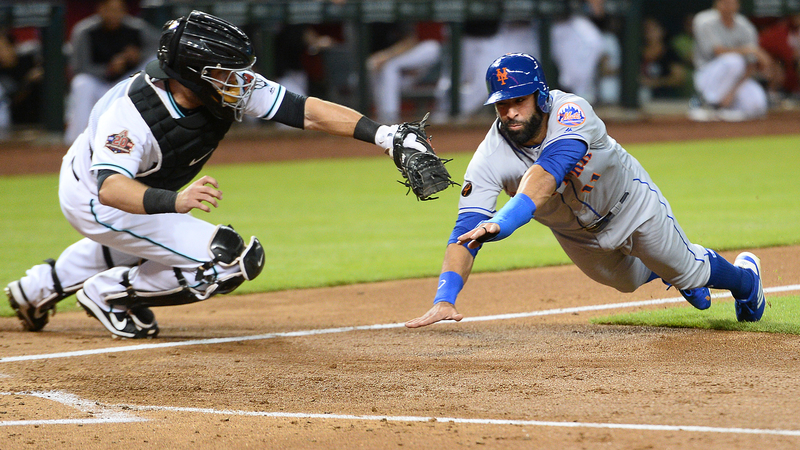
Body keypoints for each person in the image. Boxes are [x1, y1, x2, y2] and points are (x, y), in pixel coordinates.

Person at [5, 11, 412, 339]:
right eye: (225, 72)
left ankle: (38, 287)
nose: (239, 81)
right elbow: (111, 189)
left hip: (139, 188)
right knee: (229, 259)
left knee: (148, 241)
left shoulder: (217, 87)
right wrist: (175, 203)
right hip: (94, 196)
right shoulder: (131, 116)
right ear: (193, 74)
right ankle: (108, 294)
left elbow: (307, 110)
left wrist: (386, 136)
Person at [405, 53, 765, 329]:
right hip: (576, 234)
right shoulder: (488, 158)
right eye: (502, 104)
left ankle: (746, 281)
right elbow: (464, 232)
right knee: (626, 282)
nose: (511, 112)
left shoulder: (572, 112)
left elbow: (547, 174)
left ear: (541, 96)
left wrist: (504, 220)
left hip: (630, 204)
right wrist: (445, 297)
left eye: (520, 101)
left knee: (689, 269)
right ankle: (664, 266)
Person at [63, 0, 160, 144]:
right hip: (97, 84)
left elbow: (160, 46)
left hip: (125, 84)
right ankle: (77, 140)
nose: (114, 14)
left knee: (154, 61)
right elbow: (79, 68)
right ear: (100, 9)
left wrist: (139, 55)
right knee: (81, 83)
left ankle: (150, 136)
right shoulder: (85, 30)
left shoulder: (136, 27)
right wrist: (108, 69)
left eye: (118, 10)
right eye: (110, 9)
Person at [689, 0, 774, 122]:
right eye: (723, 2)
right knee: (734, 61)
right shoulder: (704, 20)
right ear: (716, 4)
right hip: (707, 75)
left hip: (735, 79)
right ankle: (704, 103)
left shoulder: (745, 26)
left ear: (737, 5)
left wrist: (732, 92)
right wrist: (750, 50)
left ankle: (723, 110)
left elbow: (750, 65)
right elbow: (718, 51)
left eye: (730, 2)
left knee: (758, 105)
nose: (727, 6)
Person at [368, 21, 443, 123]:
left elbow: (410, 41)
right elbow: (373, 62)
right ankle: (390, 122)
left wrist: (387, 57)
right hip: (381, 77)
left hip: (406, 69)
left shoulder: (395, 13)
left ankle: (389, 120)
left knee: (432, 47)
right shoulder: (367, 24)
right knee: (386, 69)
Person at [640, 17, 689, 101]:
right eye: (647, 28)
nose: (649, 32)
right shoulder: (635, 51)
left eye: (653, 29)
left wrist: (654, 83)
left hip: (664, 100)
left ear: (662, 31)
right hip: (639, 99)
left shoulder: (670, 52)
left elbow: (679, 78)